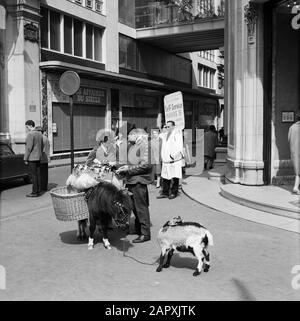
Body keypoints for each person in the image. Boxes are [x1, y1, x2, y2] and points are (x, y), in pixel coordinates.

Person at [116, 128, 153, 243]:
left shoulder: (145, 146)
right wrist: (124, 167)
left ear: (138, 135)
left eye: (131, 134)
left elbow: (146, 165)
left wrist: (128, 168)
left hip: (139, 181)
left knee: (141, 208)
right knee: (134, 207)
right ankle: (138, 229)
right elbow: (132, 162)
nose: (128, 136)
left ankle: (145, 233)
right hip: (131, 180)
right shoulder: (134, 146)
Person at [157, 120, 183, 200]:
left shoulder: (177, 134)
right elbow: (158, 135)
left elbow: (179, 146)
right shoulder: (165, 134)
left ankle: (174, 192)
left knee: (175, 177)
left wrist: (173, 155)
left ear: (173, 126)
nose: (167, 128)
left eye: (168, 126)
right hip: (166, 161)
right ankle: (165, 192)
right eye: (166, 126)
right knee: (165, 177)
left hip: (174, 160)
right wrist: (161, 128)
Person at [24, 120, 44, 197]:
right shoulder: (39, 134)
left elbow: (28, 148)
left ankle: (34, 192)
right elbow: (41, 146)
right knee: (38, 174)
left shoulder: (30, 134)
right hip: (38, 157)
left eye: (26, 127)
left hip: (32, 158)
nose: (26, 128)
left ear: (30, 126)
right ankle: (39, 190)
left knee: (33, 175)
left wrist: (25, 158)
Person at [288, 113, 300, 195]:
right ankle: (295, 187)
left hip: (294, 152)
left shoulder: (292, 127)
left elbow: (289, 139)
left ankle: (296, 187)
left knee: (297, 171)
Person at [36, 126, 50, 191]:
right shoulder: (46, 138)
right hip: (46, 158)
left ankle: (41, 187)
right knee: (45, 174)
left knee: (40, 174)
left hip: (41, 158)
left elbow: (39, 149)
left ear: (39, 132)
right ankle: (45, 187)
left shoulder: (41, 138)